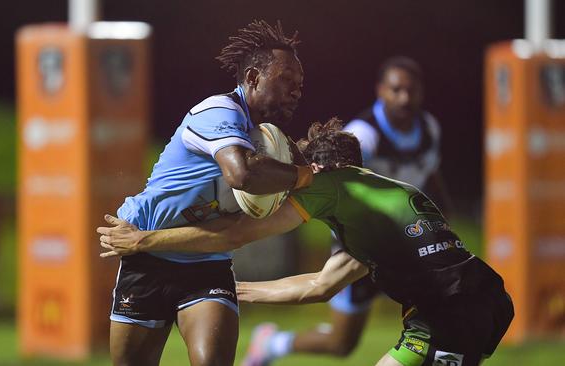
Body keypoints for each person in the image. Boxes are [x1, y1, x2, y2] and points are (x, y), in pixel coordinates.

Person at [98, 119, 514, 366]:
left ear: (316, 166)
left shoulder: (327, 184)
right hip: (487, 299)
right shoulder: (385, 199)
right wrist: (232, 290)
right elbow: (320, 286)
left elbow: (236, 233)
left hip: (446, 313)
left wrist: (144, 240)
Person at [106, 20, 310, 366]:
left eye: (300, 85)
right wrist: (305, 176)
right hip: (146, 256)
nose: (296, 91)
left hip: (205, 262)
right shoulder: (218, 111)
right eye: (286, 80)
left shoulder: (269, 142)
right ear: (253, 79)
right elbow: (242, 174)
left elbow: (232, 232)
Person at [241, 56, 453, 366]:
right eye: (397, 90)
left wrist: (443, 221)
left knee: (441, 314)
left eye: (412, 90)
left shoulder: (430, 129)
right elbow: (332, 187)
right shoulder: (362, 136)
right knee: (342, 342)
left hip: (408, 236)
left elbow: (433, 178)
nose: (405, 98)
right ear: (381, 91)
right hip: (362, 239)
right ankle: (272, 343)